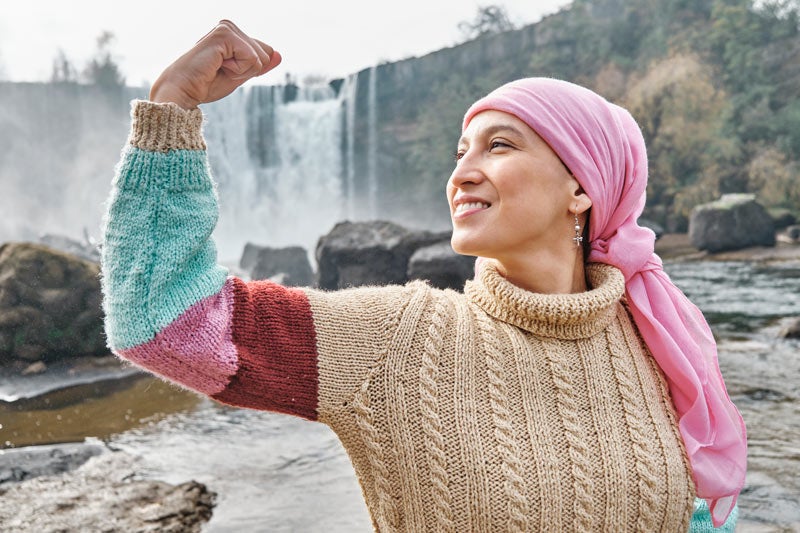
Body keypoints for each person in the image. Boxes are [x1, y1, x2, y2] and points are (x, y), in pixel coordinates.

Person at [101, 20, 746, 532]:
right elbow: (164, 322)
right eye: (460, 151)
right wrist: (172, 110)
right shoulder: (398, 341)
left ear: (583, 186)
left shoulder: (665, 346)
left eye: (499, 145)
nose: (462, 172)